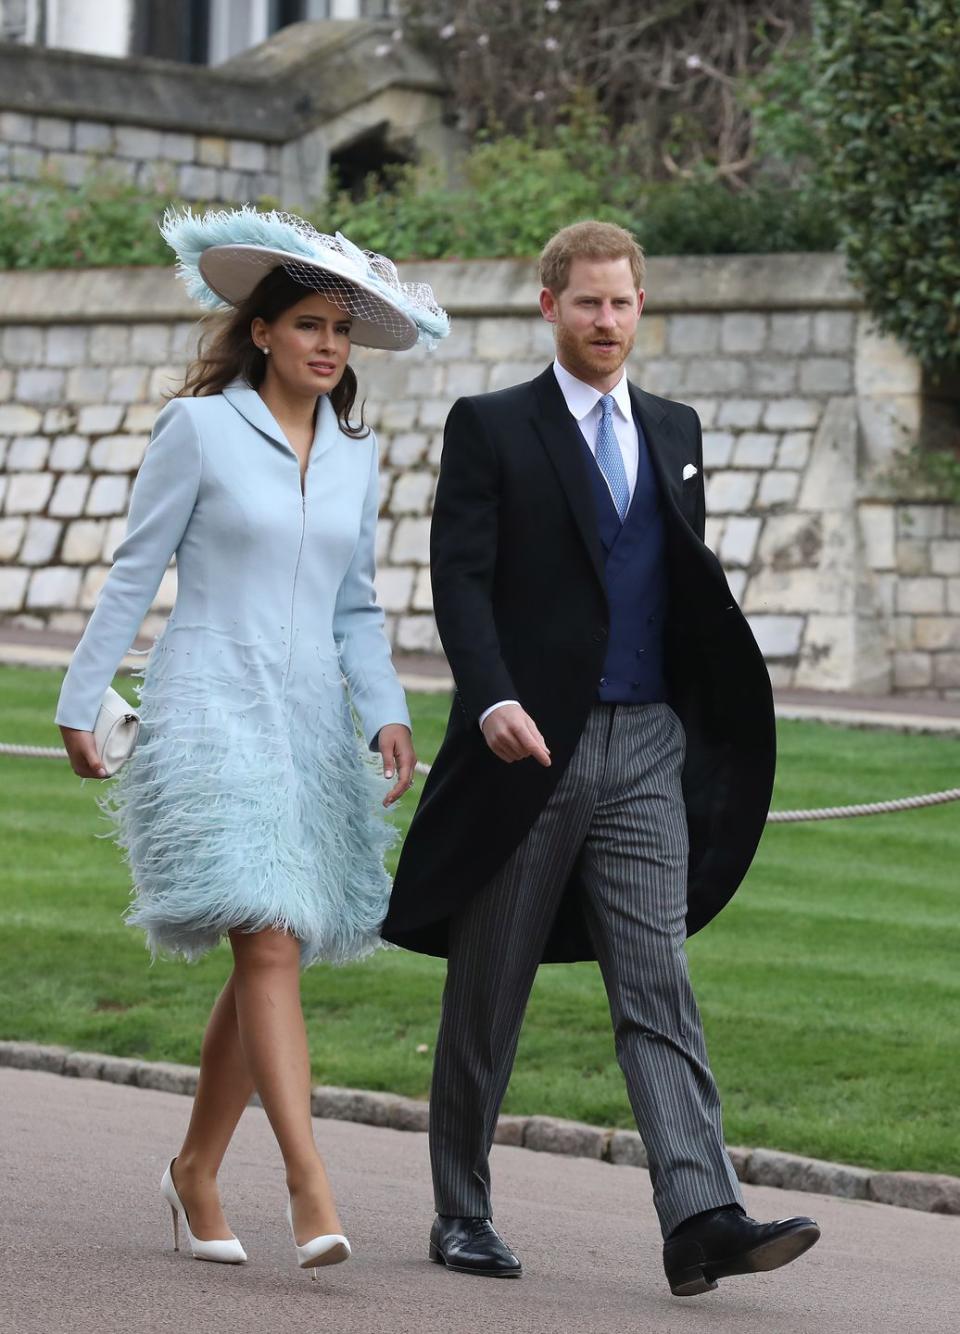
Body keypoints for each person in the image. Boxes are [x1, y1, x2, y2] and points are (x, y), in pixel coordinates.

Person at [382, 220, 820, 1297]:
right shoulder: (491, 427)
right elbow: (461, 580)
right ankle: (462, 1207)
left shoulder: (675, 427)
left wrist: (698, 720)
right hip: (525, 747)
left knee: (657, 979)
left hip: (646, 751)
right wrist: (489, 697)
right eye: (588, 303)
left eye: (623, 303)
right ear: (550, 306)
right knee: (491, 986)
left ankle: (699, 1213)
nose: (608, 322)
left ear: (640, 306)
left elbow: (674, 587)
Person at [55, 207, 449, 1278]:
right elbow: (135, 571)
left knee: (270, 942)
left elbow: (357, 605)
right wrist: (80, 696)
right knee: (268, 935)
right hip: (209, 702)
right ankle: (308, 1178)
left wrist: (388, 708)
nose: (329, 345)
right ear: (263, 329)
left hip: (311, 720)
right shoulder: (201, 430)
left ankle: (193, 1166)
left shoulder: (359, 453)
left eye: (342, 331)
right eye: (311, 324)